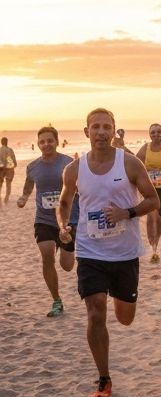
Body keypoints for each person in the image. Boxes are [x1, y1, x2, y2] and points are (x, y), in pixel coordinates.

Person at [57, 108, 158, 397]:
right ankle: (104, 378)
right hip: (90, 251)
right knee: (95, 311)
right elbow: (64, 204)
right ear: (86, 131)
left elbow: (152, 200)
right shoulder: (74, 169)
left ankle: (119, 298)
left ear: (114, 131)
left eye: (106, 127)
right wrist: (63, 226)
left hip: (124, 252)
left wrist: (126, 213)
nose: (101, 132)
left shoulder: (129, 163)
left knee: (125, 317)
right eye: (95, 127)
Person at [17, 126, 79, 316]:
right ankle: (56, 300)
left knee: (67, 266)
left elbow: (81, 188)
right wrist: (24, 197)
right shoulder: (33, 166)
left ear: (57, 141)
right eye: (42, 141)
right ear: (38, 144)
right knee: (46, 256)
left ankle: (69, 250)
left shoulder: (69, 163)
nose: (46, 144)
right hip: (43, 219)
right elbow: (29, 185)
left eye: (49, 140)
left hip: (69, 219)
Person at [135, 124, 161, 262]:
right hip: (149, 188)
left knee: (160, 218)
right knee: (152, 217)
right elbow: (136, 162)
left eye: (158, 132)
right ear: (149, 134)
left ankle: (155, 243)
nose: (156, 134)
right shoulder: (145, 148)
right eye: (153, 132)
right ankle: (153, 248)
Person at [0, 136, 16, 203]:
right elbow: (13, 159)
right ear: (7, 142)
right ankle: (6, 199)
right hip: (9, 169)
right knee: (8, 184)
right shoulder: (10, 150)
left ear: (1, 142)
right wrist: (14, 165)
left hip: (1, 169)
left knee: (0, 184)